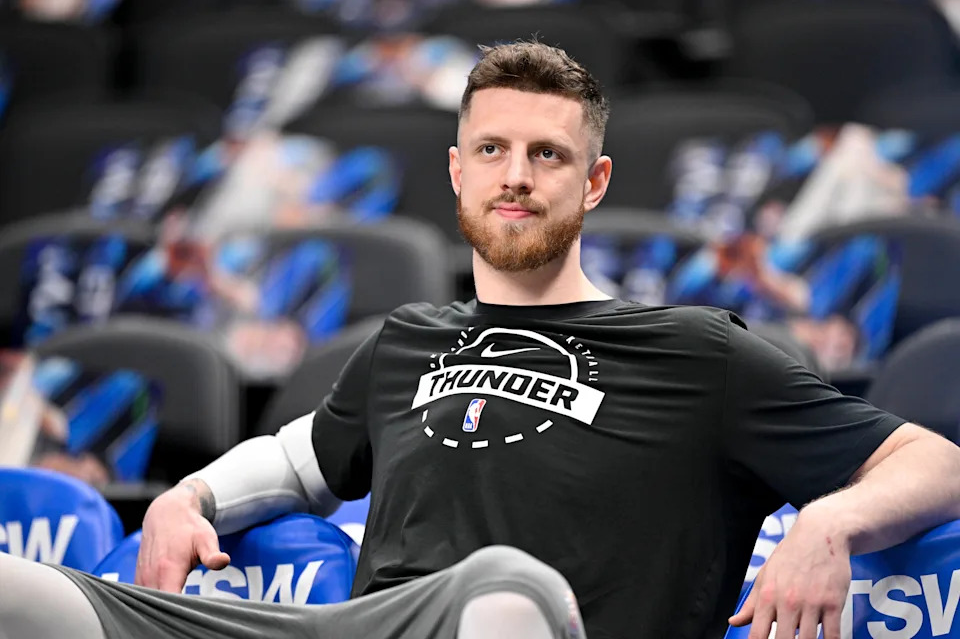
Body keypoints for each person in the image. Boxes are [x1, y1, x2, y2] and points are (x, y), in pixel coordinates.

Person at [2, 40, 960, 639]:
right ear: (458, 172)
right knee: (24, 597)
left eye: (549, 154)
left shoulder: (696, 350)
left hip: (521, 616)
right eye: (493, 150)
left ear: (594, 183)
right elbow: (296, 461)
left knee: (501, 589)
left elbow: (935, 463)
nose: (517, 176)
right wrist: (189, 496)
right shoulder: (406, 340)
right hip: (358, 630)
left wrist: (830, 523)